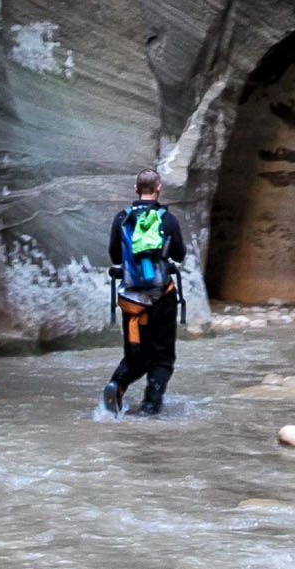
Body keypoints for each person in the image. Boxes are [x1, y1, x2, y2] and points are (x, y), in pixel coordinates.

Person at [103, 169, 186, 416]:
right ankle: (150, 407)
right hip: (162, 297)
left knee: (136, 352)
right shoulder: (168, 220)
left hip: (132, 301)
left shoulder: (122, 219)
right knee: (162, 357)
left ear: (136, 189)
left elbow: (115, 256)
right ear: (159, 187)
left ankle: (116, 384)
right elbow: (179, 254)